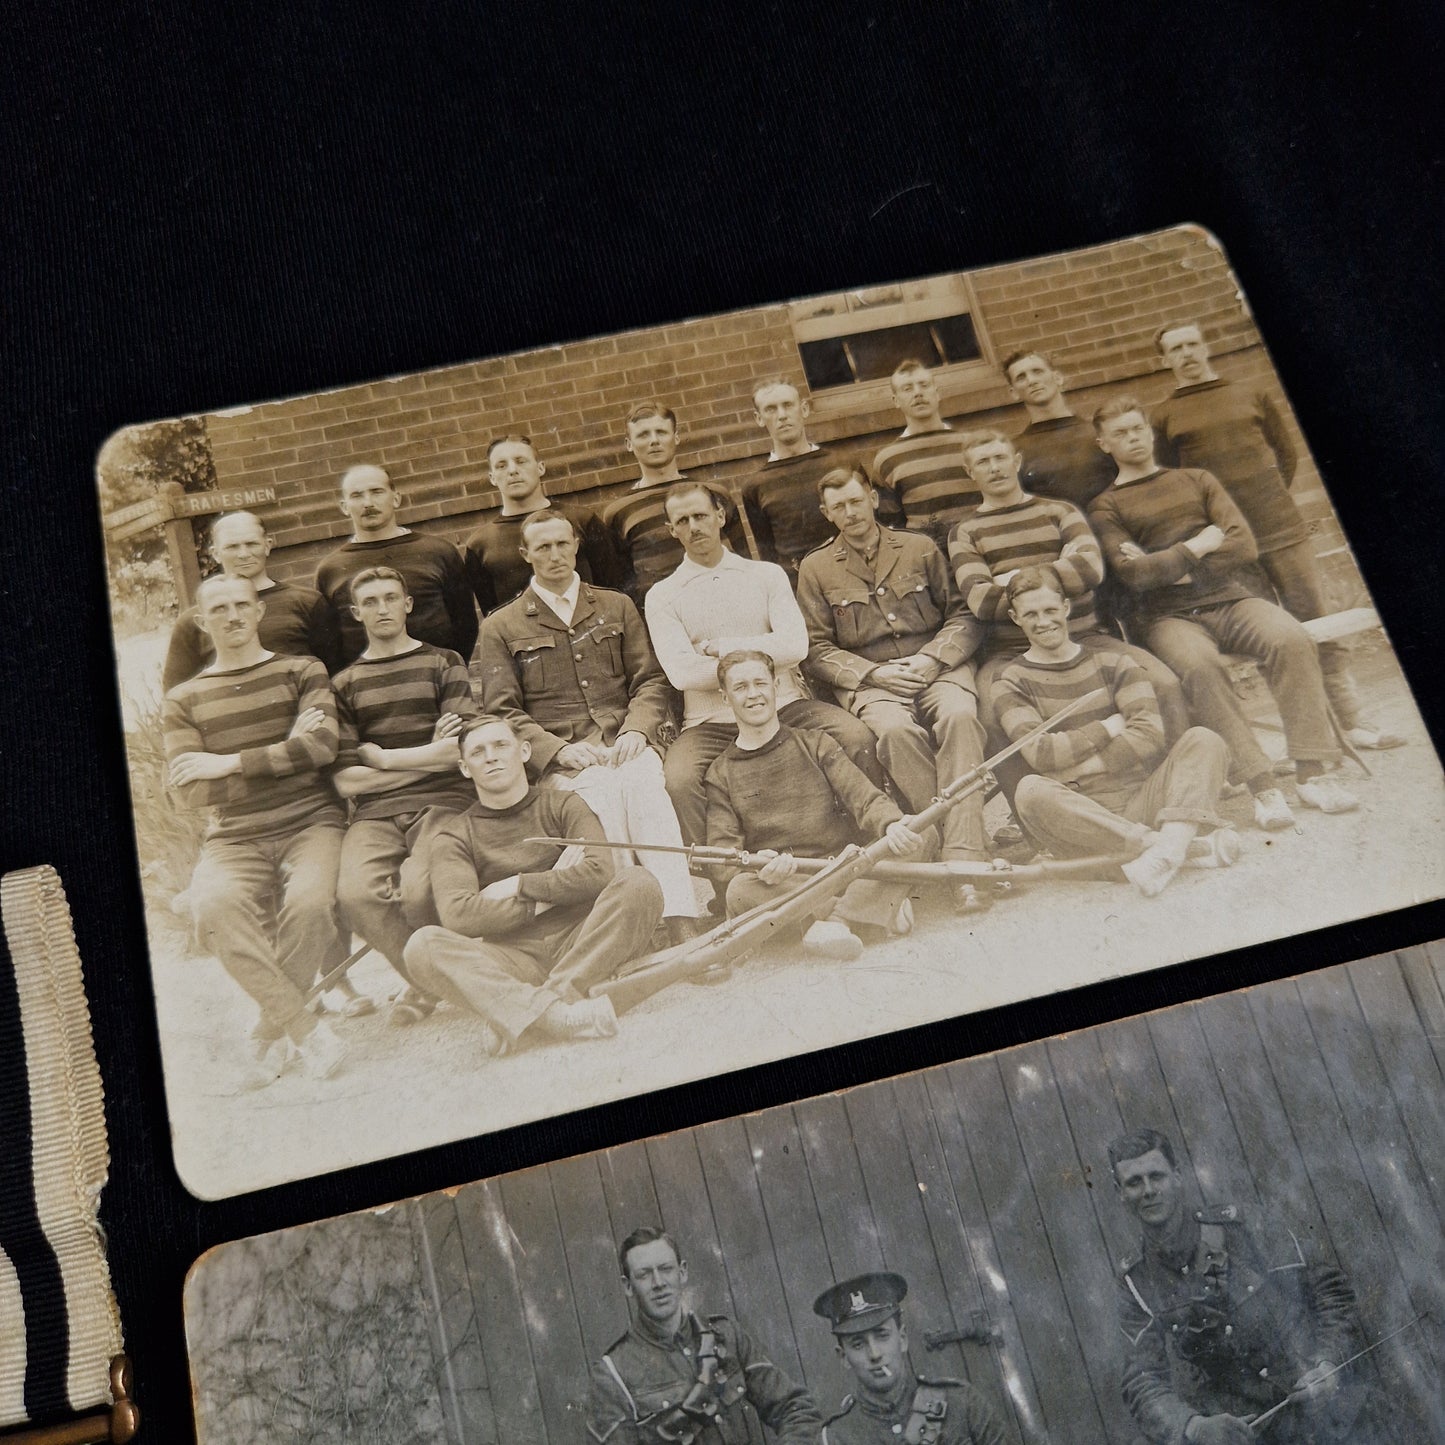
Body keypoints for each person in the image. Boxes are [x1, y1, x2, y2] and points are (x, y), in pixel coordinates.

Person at [1087, 398, 1358, 830]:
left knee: (1292, 639)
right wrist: (1197, 546)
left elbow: (1241, 546)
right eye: (1120, 433)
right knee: (1200, 668)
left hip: (1232, 599)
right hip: (1167, 618)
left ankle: (1312, 774)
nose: (1133, 437)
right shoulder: (1105, 506)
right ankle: (1262, 786)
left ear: (1149, 432)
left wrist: (1167, 565)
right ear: (1104, 443)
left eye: (1137, 428)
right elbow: (1133, 575)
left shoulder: (1195, 478)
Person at [1150, 321, 1402, 750]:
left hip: (1281, 530)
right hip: (1229, 547)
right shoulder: (1163, 415)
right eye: (1176, 349)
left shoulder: (1252, 392)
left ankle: (1352, 721)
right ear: (1165, 360)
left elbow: (1286, 455)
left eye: (1193, 343)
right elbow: (1176, 483)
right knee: (1272, 637)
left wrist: (1267, 504)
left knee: (1317, 620)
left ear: (1205, 345)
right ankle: (1313, 735)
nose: (1187, 354)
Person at [477, 511, 703, 942]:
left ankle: (679, 917)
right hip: (564, 759)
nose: (556, 554)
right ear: (526, 554)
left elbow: (650, 681)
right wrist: (556, 751)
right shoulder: (501, 626)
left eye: (563, 544)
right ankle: (626, 925)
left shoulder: (615, 605)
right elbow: (503, 711)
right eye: (543, 547)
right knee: (599, 801)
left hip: (625, 742)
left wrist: (637, 730)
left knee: (644, 790)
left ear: (576, 545)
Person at [162, 574, 347, 1086]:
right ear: (202, 622)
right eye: (219, 609)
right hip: (234, 836)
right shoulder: (184, 699)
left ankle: (269, 1031)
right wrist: (282, 752)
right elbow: (189, 792)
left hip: (312, 820)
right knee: (211, 906)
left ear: (260, 611)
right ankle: (305, 1029)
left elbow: (322, 749)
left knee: (311, 906)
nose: (234, 616)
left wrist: (223, 765)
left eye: (242, 605)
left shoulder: (302, 670)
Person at [402, 716, 662, 1055]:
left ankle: (529, 1010)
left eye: (500, 746)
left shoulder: (565, 804)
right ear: (465, 768)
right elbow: (460, 916)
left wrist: (518, 884)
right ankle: (558, 1013)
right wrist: (547, 897)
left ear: (524, 751)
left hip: (582, 937)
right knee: (422, 946)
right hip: (512, 958)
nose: (491, 757)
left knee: (639, 883)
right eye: (478, 752)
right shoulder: (453, 835)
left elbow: (600, 872)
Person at [644, 481, 885, 847]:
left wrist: (722, 648)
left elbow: (795, 645)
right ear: (671, 530)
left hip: (786, 704)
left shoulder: (766, 575)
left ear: (720, 516)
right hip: (711, 722)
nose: (694, 527)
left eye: (701, 516)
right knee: (679, 779)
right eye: (682, 521)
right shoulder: (662, 595)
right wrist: (760, 661)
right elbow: (683, 673)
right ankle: (726, 884)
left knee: (856, 737)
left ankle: (869, 850)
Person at [796, 466, 992, 912]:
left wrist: (931, 659)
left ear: (873, 498)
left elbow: (963, 615)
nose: (850, 513)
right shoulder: (816, 567)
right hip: (873, 682)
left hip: (936, 667)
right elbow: (814, 647)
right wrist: (870, 674)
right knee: (894, 732)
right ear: (827, 514)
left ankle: (961, 860)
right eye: (838, 507)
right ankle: (957, 853)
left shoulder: (920, 547)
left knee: (961, 717)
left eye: (855, 500)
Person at [1109, 1127, 1379, 1445]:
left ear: (1177, 1177)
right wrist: (1192, 1426)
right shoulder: (1135, 1283)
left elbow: (1329, 1290)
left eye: (1157, 1176)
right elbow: (1142, 1379)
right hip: (1255, 1433)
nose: (1149, 1190)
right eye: (1134, 1183)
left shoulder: (1243, 1227)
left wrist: (1328, 1362)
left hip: (1334, 1416)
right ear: (1120, 1193)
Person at [993, 568, 1237, 897]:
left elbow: (1149, 734)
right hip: (1079, 819)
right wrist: (1108, 726)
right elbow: (1043, 755)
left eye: (1050, 610)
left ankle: (1161, 853)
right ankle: (1173, 847)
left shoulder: (1115, 662)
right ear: (1015, 617)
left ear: (1066, 608)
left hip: (1141, 800)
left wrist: (1078, 768)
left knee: (1204, 740)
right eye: (1030, 614)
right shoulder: (1010, 680)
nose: (1043, 621)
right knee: (1030, 791)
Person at [949, 430, 1187, 746]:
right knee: (991, 718)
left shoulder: (1061, 511)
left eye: (1000, 458)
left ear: (1016, 462)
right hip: (1012, 650)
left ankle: (1179, 777)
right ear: (970, 472)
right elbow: (981, 601)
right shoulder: (965, 531)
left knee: (1163, 683)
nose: (994, 468)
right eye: (983, 462)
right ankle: (1041, 794)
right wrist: (1060, 569)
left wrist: (1011, 579)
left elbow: (1091, 570)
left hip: (1085, 636)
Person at [704, 649, 930, 958]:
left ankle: (835, 923)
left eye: (760, 683)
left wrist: (890, 823)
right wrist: (762, 864)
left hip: (847, 867)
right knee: (741, 889)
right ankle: (871, 913)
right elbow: (726, 858)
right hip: (789, 883)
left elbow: (863, 797)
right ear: (725, 698)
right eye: (740, 687)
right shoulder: (720, 773)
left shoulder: (815, 742)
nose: (753, 694)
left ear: (776, 686)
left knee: (919, 832)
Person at [331, 566, 479, 1024]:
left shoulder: (443, 662)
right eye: (370, 602)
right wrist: (427, 753)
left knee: (419, 888)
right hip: (374, 815)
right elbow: (346, 782)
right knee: (355, 894)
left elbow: (461, 752)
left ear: (408, 604)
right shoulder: (343, 684)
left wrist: (386, 759)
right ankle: (427, 983)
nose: (382, 609)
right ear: (357, 613)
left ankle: (447, 982)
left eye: (391, 598)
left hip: (445, 801)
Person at [586, 1226, 821, 1445]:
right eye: (644, 1275)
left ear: (682, 1272)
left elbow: (795, 1408)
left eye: (666, 1269)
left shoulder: (726, 1336)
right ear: (628, 1286)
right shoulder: (613, 1375)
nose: (659, 1283)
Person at [812, 1271, 1010, 1445]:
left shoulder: (962, 1403)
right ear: (844, 1357)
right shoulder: (835, 1438)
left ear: (903, 1338)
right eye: (858, 1344)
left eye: (882, 1336)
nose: (875, 1354)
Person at [315, 463, 478, 665]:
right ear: (344, 506)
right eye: (357, 495)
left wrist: (452, 670)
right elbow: (330, 642)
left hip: (438, 676)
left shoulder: (438, 552)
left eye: (377, 492)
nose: (368, 503)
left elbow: (465, 624)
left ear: (396, 498)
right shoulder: (331, 569)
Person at [739, 377, 901, 578]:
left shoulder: (844, 464)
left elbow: (875, 526)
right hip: (801, 586)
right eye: (771, 409)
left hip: (860, 577)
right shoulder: (755, 486)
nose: (782, 415)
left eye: (788, 405)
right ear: (759, 418)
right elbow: (769, 557)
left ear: (804, 409)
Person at [162, 510, 342, 688]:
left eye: (251, 544)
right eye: (232, 547)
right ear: (215, 553)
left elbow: (335, 674)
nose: (243, 554)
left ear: (267, 545)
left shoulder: (308, 602)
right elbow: (177, 693)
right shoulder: (194, 621)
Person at [602, 400, 750, 603]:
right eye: (643, 435)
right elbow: (624, 587)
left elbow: (744, 560)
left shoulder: (715, 494)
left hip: (727, 601)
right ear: (629, 444)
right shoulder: (619, 512)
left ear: (676, 437)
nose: (654, 441)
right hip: (666, 615)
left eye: (661, 432)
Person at [462, 434, 619, 613]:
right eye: (501, 465)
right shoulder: (481, 544)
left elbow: (613, 590)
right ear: (492, 477)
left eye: (521, 461)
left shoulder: (582, 520)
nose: (512, 470)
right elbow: (493, 614)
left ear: (540, 467)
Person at [871, 359, 982, 549]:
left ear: (937, 393)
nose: (918, 393)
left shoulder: (972, 444)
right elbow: (892, 528)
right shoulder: (887, 460)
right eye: (907, 388)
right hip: (929, 557)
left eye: (924, 385)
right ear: (896, 401)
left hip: (980, 547)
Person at [1003, 350, 1117, 511]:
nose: (1032, 381)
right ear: (1013, 393)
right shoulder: (1014, 451)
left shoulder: (1100, 432)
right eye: (1021, 377)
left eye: (1037, 371)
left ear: (1058, 378)